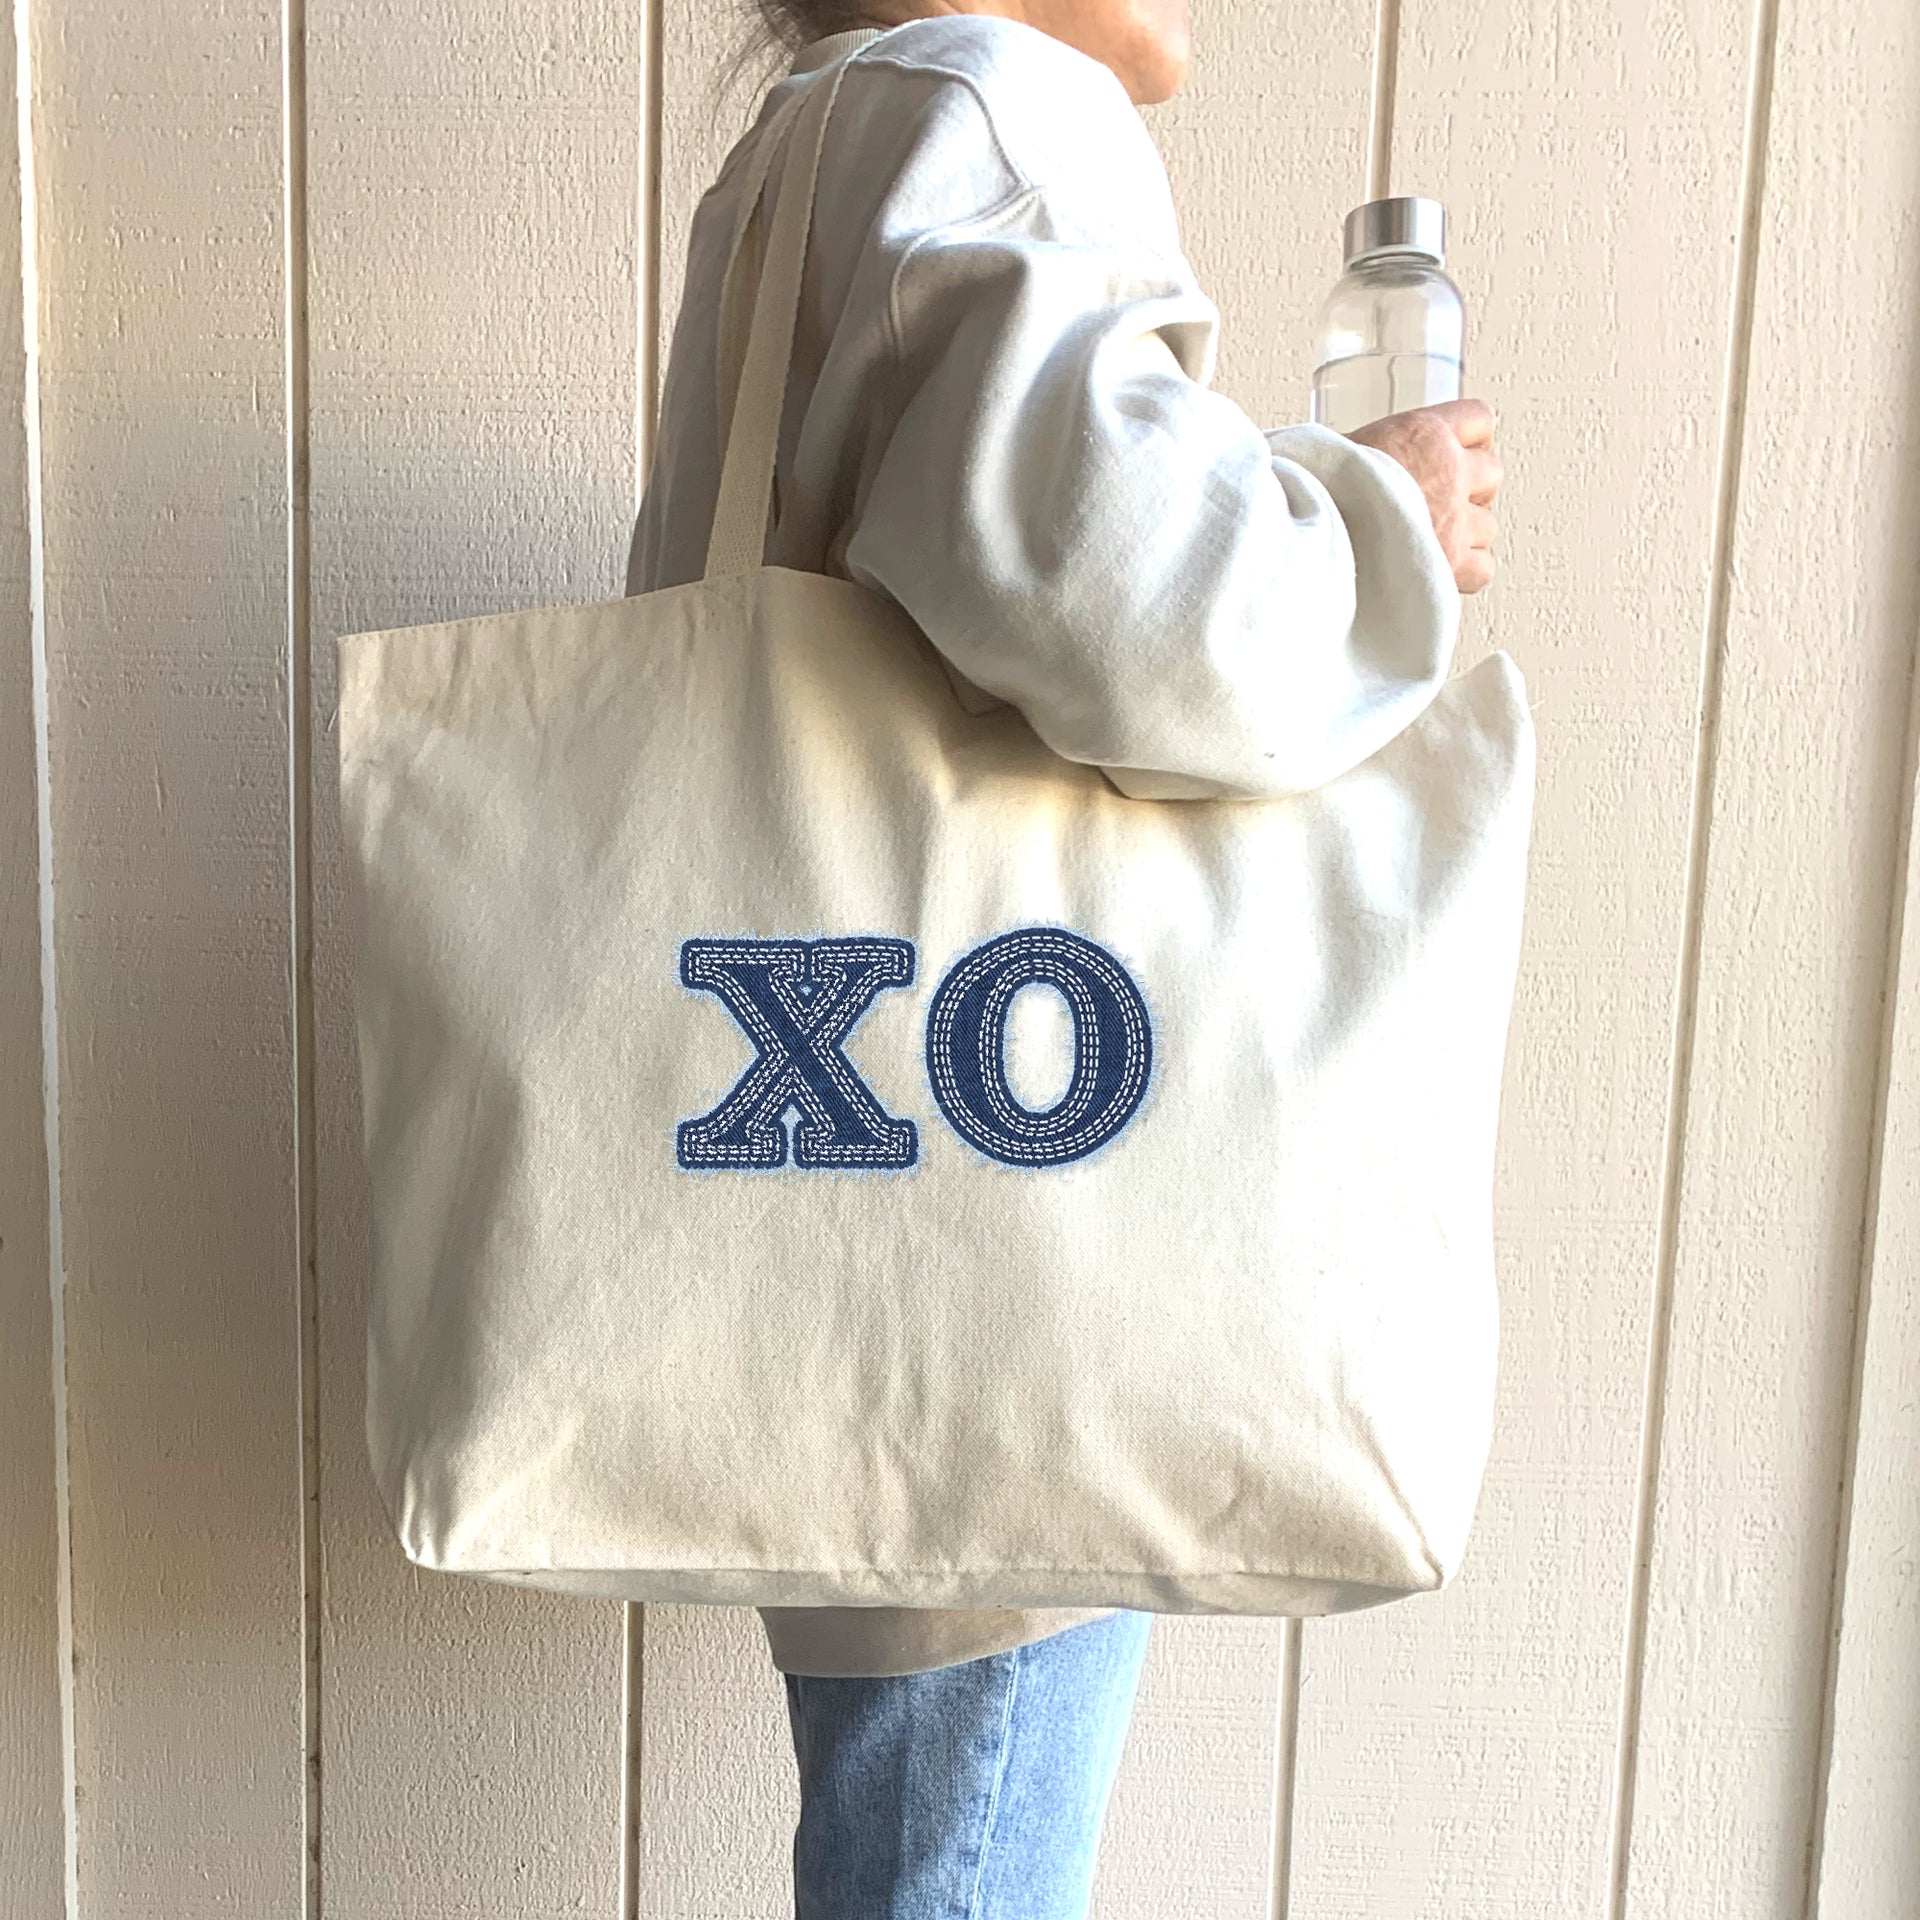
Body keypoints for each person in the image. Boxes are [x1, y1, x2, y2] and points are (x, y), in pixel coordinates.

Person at [626, 4, 1502, 1913]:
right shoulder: (998, 107)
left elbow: (997, 543)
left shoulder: (814, 140)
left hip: (852, 1177)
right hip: (1010, 1228)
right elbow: (1143, 615)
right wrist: (1385, 526)